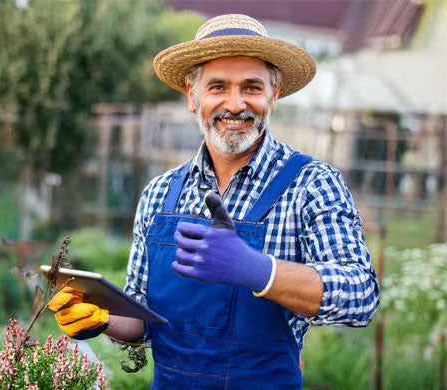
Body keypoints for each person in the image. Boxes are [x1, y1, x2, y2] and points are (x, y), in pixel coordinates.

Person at [49, 14, 380, 389]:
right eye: (218, 86)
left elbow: (360, 295)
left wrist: (257, 269)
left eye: (252, 87)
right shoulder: (160, 194)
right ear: (193, 97)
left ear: (274, 94)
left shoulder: (310, 185)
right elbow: (143, 318)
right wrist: (102, 318)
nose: (235, 104)